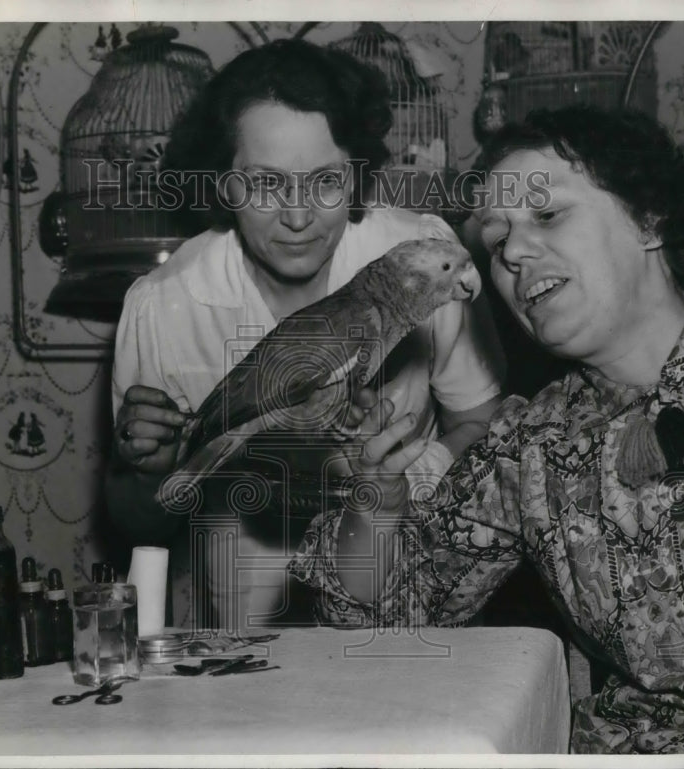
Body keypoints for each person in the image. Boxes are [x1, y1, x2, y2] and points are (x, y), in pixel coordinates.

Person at [290, 105, 684, 754]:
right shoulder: (530, 443)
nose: (514, 253)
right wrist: (375, 503)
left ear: (649, 218)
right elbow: (382, 628)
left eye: (547, 216)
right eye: (497, 242)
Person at [107, 39, 505, 631]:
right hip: (246, 633)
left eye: (325, 180)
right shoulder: (161, 306)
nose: (297, 217)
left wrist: (406, 480)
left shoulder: (426, 261)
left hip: (409, 616)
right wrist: (150, 469)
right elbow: (138, 524)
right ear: (222, 183)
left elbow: (486, 425)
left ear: (357, 173)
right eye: (264, 182)